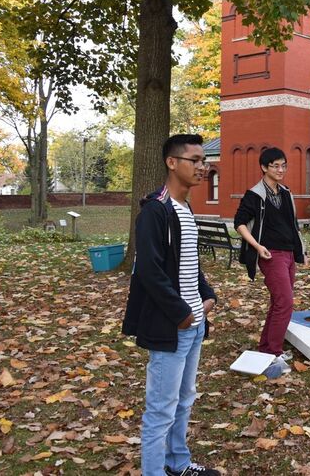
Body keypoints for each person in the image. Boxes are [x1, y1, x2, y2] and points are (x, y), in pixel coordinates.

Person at [122, 134, 220, 476]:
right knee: (160, 409)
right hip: (171, 325)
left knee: (184, 399)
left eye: (202, 161)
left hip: (194, 324)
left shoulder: (186, 208)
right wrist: (181, 313)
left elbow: (189, 263)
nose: (201, 167)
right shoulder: (155, 212)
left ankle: (178, 463)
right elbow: (148, 271)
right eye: (194, 160)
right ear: (172, 162)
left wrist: (207, 294)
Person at [234, 147, 306, 373]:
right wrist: (257, 246)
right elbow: (240, 223)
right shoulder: (255, 195)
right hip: (270, 254)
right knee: (285, 301)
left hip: (288, 254)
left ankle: (266, 346)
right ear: (264, 167)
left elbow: (292, 225)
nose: (281, 169)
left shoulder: (286, 193)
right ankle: (273, 352)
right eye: (275, 165)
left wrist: (299, 249)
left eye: (284, 165)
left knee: (279, 302)